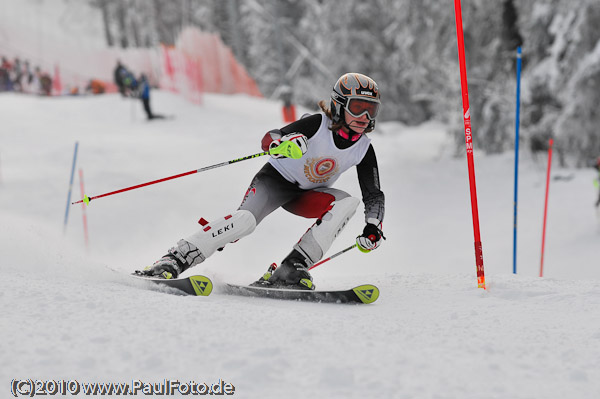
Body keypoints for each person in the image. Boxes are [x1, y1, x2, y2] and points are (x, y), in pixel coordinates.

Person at [136, 73, 386, 290]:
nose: (364, 116)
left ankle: (291, 269)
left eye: (371, 109)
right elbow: (271, 138)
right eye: (357, 107)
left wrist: (373, 227)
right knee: (244, 221)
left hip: (309, 195)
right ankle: (175, 259)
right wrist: (283, 145)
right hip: (275, 182)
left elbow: (373, 193)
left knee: (348, 203)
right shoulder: (318, 124)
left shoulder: (363, 148)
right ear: (340, 105)